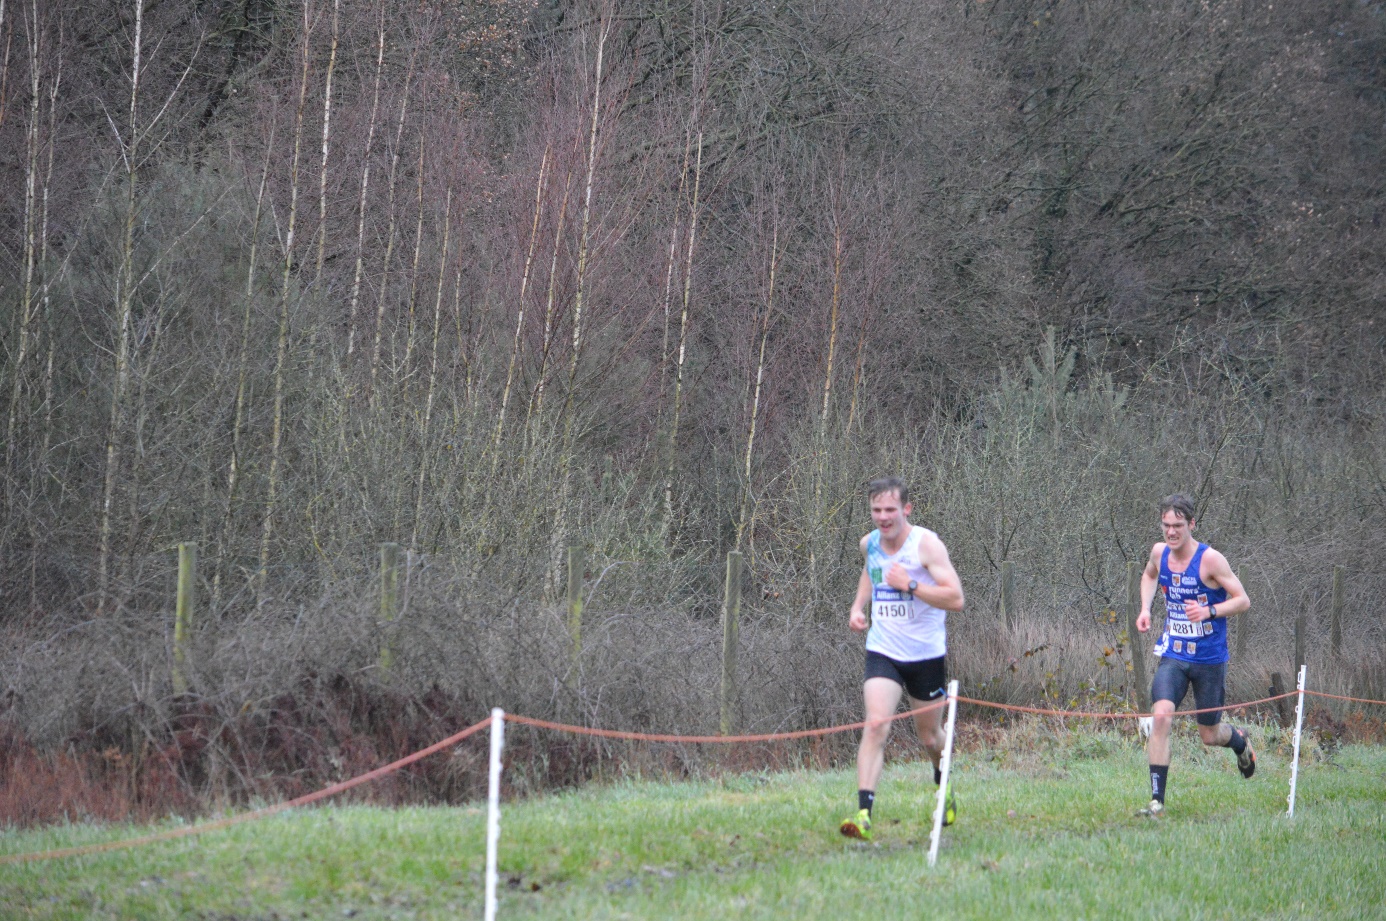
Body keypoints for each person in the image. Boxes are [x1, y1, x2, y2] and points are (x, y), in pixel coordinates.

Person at [839, 477, 966, 841]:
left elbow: (956, 599)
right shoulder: (870, 544)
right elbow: (870, 572)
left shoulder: (926, 546)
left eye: (890, 510)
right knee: (877, 724)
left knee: (930, 738)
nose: (883, 517)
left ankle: (944, 787)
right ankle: (863, 814)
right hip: (884, 650)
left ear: (906, 509)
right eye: (876, 510)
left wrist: (910, 584)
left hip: (926, 655)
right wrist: (858, 606)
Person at [1135, 493, 1256, 817]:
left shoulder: (1210, 560)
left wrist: (1209, 611)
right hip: (1174, 653)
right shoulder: (1159, 554)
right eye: (1165, 526)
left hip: (1209, 659)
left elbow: (1243, 600)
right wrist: (1145, 609)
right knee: (1161, 716)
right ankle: (1157, 801)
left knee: (1209, 734)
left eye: (1177, 526)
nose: (1171, 532)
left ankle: (1240, 742)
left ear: (1191, 524)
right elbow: (1148, 575)